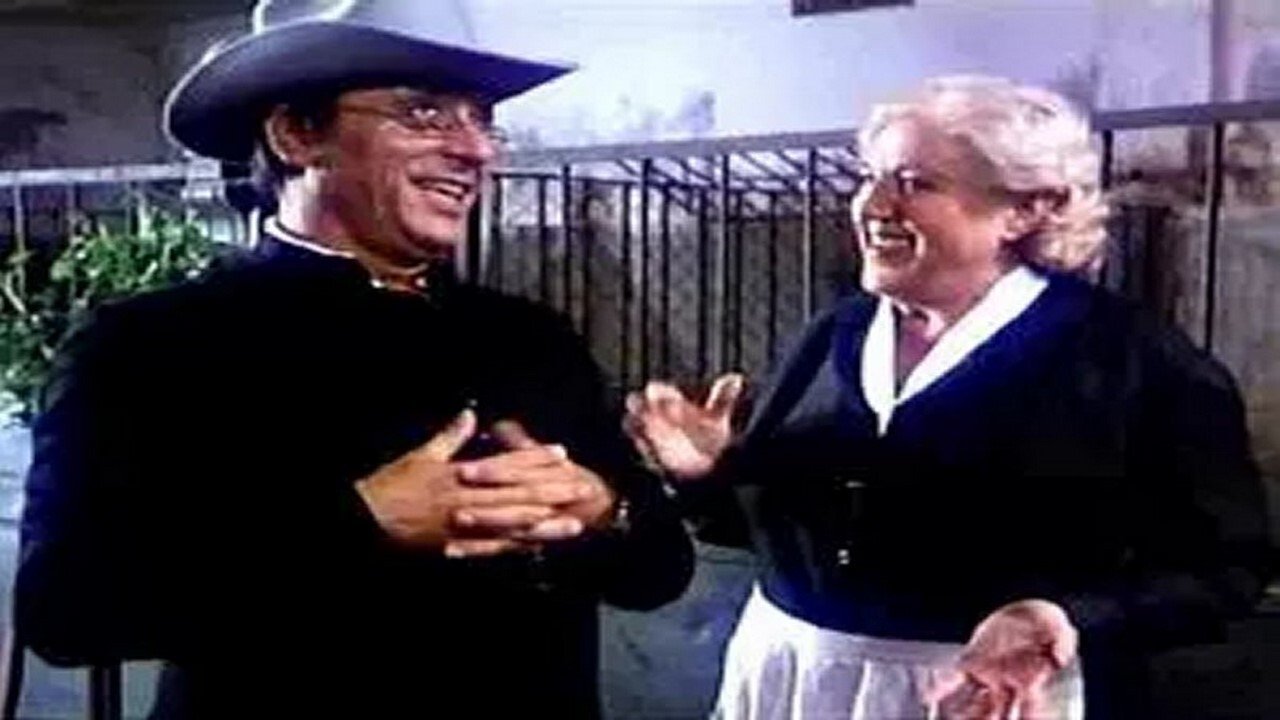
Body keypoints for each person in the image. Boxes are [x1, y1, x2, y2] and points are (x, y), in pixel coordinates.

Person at [16, 1, 693, 717]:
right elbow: (64, 610)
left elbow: (660, 572)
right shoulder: (151, 343)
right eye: (424, 114)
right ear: (297, 134)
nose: (476, 151)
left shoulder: (531, 336)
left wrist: (604, 508)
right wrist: (362, 521)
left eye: (482, 119)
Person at [625, 75, 1273, 719]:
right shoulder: (833, 334)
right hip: (792, 679)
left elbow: (1226, 569)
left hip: (985, 697)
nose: (873, 205)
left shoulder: (1131, 361)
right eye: (870, 177)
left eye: (915, 183)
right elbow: (785, 534)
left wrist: (1067, 616)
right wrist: (708, 475)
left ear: (1027, 209)